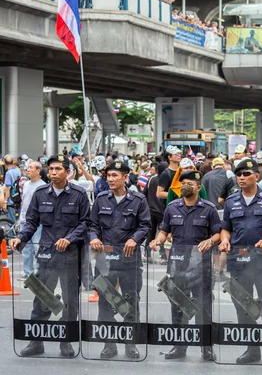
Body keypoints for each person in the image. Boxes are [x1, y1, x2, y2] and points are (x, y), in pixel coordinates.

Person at [10, 154, 91, 357]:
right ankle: (36, 342)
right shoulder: (40, 194)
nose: (53, 173)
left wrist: (70, 238)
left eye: (58, 169)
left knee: (71, 301)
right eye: (51, 169)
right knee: (42, 299)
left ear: (68, 172)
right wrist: (21, 238)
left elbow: (85, 223)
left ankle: (66, 341)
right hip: (47, 255)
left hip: (71, 256)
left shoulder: (79, 194)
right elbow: (31, 222)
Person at [218, 158, 262, 365]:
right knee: (243, 305)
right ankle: (252, 349)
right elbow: (226, 227)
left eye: (246, 174)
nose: (241, 178)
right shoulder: (231, 201)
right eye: (238, 174)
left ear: (257, 176)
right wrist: (224, 240)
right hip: (238, 259)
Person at [150, 170, 220, 360]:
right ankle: (179, 346)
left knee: (204, 307)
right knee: (178, 306)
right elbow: (164, 231)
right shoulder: (172, 207)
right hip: (177, 265)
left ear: (198, 187)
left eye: (189, 183)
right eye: (182, 183)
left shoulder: (209, 209)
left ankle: (206, 347)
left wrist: (211, 241)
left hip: (201, 266)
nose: (185, 186)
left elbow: (218, 233)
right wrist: (158, 240)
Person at [88, 160, 151, 359]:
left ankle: (130, 344)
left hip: (129, 260)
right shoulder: (100, 199)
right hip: (105, 261)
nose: (111, 179)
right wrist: (94, 237)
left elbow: (145, 225)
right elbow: (92, 225)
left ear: (125, 177)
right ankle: (109, 344)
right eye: (108, 176)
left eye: (115, 175)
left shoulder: (138, 200)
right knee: (105, 302)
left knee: (131, 301)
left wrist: (134, 239)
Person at [18, 161, 46, 280]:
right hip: (24, 220)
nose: (27, 169)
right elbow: (23, 202)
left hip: (37, 222)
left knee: (37, 247)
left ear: (38, 171)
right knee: (26, 248)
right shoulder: (26, 184)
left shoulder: (42, 186)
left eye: (31, 167)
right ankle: (28, 273)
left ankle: (39, 273)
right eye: (27, 167)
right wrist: (20, 219)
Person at [2, 155, 22, 222]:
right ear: (13, 162)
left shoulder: (8, 173)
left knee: (11, 222)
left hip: (11, 200)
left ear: (4, 163)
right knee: (18, 222)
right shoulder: (18, 171)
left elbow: (8, 189)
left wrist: (5, 202)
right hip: (19, 199)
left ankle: (12, 232)